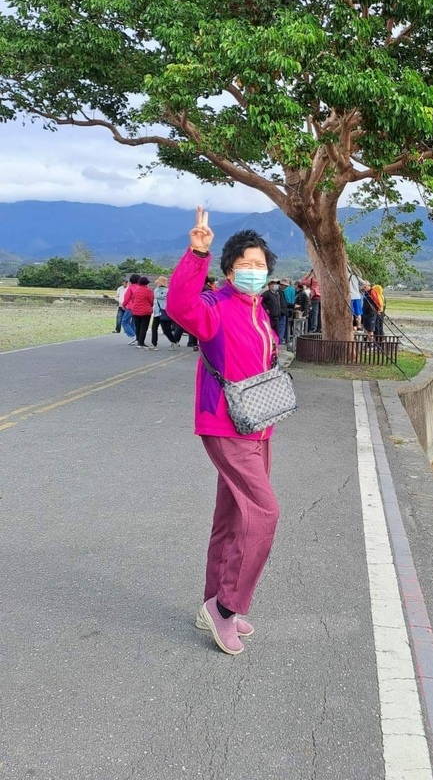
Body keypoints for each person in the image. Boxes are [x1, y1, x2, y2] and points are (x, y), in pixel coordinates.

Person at [166, 208, 281, 656]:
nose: (253, 271)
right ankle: (227, 608)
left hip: (258, 426)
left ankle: (213, 601)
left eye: (259, 265)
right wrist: (197, 252)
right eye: (244, 265)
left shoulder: (260, 310)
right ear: (228, 269)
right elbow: (180, 306)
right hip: (226, 427)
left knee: (232, 518)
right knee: (264, 514)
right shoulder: (215, 306)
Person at [124, 275, 154, 348]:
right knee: (144, 327)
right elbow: (151, 301)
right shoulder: (149, 291)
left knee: (137, 326)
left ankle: (138, 341)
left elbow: (133, 299)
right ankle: (141, 342)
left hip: (135, 311)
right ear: (146, 283)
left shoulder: (136, 290)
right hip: (146, 311)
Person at [149, 276, 177, 349]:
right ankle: (154, 344)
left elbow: (159, 297)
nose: (157, 283)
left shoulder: (167, 291)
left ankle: (174, 341)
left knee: (166, 330)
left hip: (164, 311)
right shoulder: (156, 289)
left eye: (159, 282)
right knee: (154, 328)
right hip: (157, 312)